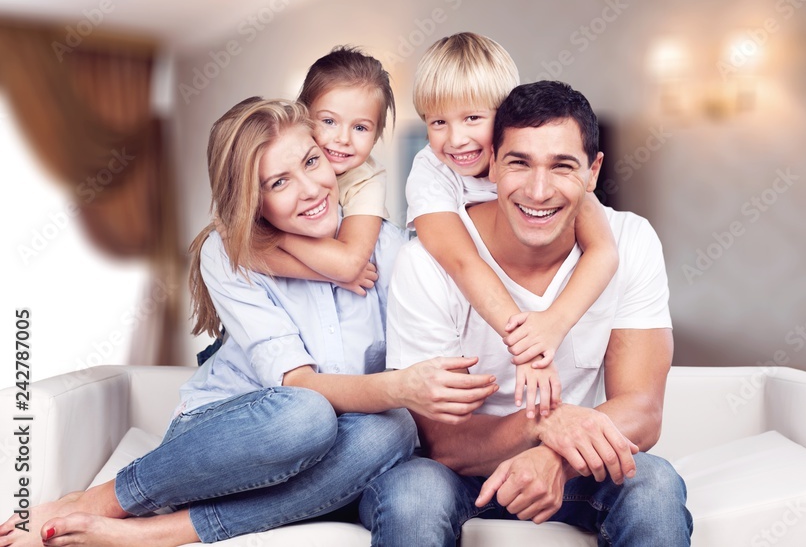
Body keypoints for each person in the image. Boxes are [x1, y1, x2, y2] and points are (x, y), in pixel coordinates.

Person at [0, 98, 498, 547]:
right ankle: (111, 500)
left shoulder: (394, 250)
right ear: (252, 200)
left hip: (356, 454)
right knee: (307, 413)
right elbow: (301, 386)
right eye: (278, 183)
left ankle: (164, 533)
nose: (311, 190)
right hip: (236, 443)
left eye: (311, 161)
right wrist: (400, 387)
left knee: (407, 462)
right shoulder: (230, 253)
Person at [362, 81, 692, 545]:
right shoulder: (425, 261)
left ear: (593, 172)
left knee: (653, 483)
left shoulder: (631, 242)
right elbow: (442, 443)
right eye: (519, 162)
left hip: (574, 465)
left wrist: (554, 455)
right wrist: (539, 423)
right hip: (458, 473)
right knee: (412, 493)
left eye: (563, 166)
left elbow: (643, 410)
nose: (539, 191)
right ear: (492, 163)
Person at [406, 33, 619, 418]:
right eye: (438, 121)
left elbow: (603, 251)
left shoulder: (543, 167)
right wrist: (527, 349)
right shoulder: (431, 172)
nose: (456, 139)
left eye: (472, 118)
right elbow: (461, 262)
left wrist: (553, 325)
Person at [234, 46, 396, 295]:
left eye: (361, 128)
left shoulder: (368, 179)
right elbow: (242, 251)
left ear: (376, 137)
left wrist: (273, 234)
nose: (343, 138)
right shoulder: (273, 159)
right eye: (329, 121)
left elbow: (349, 265)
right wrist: (329, 277)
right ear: (303, 117)